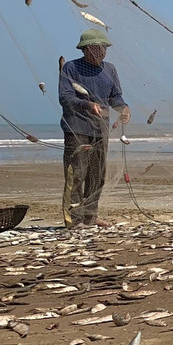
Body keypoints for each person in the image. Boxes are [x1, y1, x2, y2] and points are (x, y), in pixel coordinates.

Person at [59, 29, 130, 227]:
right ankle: (73, 220)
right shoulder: (71, 68)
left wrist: (124, 108)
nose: (101, 52)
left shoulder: (110, 69)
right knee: (76, 174)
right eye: (96, 48)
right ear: (85, 50)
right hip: (77, 129)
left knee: (97, 175)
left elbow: (115, 97)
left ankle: (90, 216)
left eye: (103, 48)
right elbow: (65, 97)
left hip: (100, 129)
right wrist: (88, 105)